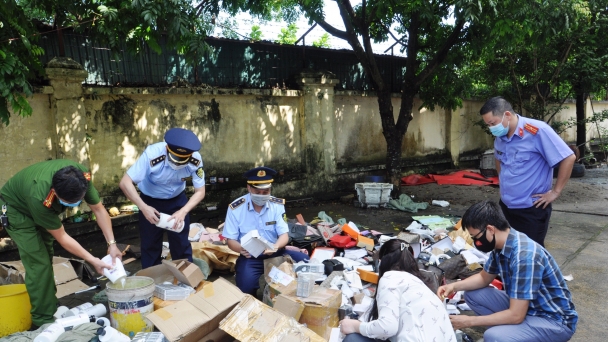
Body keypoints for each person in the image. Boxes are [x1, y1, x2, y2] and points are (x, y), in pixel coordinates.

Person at [0, 160, 121, 329]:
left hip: (35, 204)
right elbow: (62, 237)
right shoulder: (40, 196)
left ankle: (48, 303)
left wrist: (112, 244)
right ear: (54, 192)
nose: (73, 206)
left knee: (47, 252)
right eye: (66, 202)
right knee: (38, 262)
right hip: (17, 211)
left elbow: (99, 210)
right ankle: (42, 319)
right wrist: (93, 260)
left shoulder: (80, 177)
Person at [437, 200, 577, 342]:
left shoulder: (524, 256)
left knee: (493, 337)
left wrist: (469, 321)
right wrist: (453, 286)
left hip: (553, 321)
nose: (476, 242)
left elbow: (516, 315)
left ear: (490, 229)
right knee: (473, 294)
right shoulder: (502, 246)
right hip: (528, 308)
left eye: (476, 237)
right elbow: (483, 278)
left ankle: (507, 336)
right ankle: (512, 334)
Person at [479, 96, 575, 247]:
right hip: (506, 207)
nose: (491, 128)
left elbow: (568, 157)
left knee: (530, 256)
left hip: (531, 209)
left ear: (507, 115)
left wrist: (555, 192)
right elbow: (498, 158)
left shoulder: (538, 131)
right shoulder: (500, 136)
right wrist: (503, 182)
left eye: (493, 123)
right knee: (506, 250)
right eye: (488, 125)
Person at [119, 128, 206, 269]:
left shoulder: (195, 160)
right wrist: (143, 207)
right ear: (167, 149)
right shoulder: (152, 154)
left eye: (183, 160)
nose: (178, 164)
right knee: (150, 244)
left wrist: (183, 211)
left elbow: (200, 191)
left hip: (178, 201)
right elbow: (125, 182)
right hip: (150, 201)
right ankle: (152, 280)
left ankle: (187, 280)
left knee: (181, 244)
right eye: (176, 159)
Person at [339, 239, 455, 342]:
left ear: (381, 261)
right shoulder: (420, 283)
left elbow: (387, 328)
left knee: (353, 339)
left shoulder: (390, 277)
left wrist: (355, 326)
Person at [222, 166, 308, 295]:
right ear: (249, 188)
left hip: (276, 252)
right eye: (257, 192)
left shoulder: (276, 205)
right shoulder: (236, 208)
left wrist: (276, 246)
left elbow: (284, 235)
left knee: (306, 264)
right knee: (245, 288)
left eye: (266, 192)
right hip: (250, 257)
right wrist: (241, 249)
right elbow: (230, 240)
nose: (261, 195)